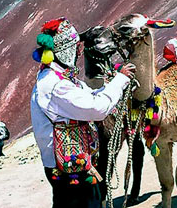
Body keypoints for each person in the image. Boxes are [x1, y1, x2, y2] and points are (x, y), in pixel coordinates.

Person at [30, 17, 135, 208]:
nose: (79, 52)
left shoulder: (59, 78)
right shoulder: (56, 85)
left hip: (74, 166)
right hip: (70, 170)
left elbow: (88, 95)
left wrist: (110, 85)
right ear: (66, 50)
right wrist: (120, 81)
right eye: (76, 47)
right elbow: (96, 108)